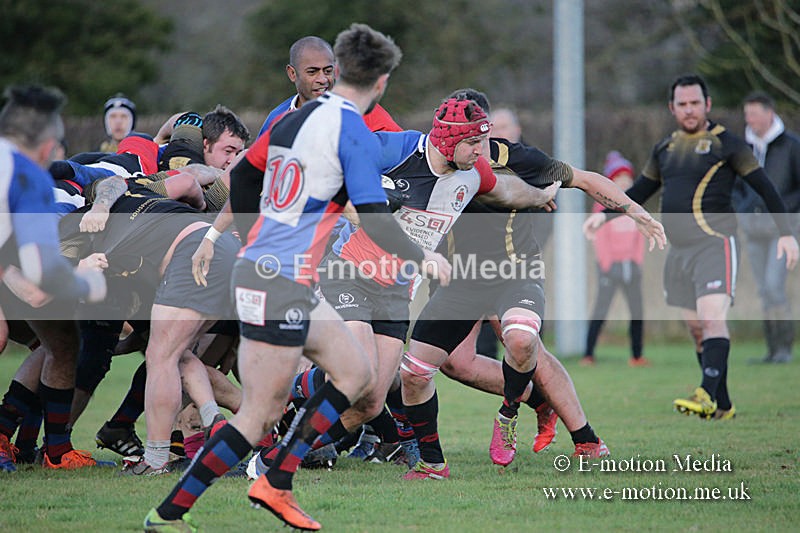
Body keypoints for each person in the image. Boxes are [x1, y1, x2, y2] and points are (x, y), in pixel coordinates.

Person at [145, 23, 449, 532]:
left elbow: (242, 174)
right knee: (259, 416)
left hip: (281, 276)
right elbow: (374, 217)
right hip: (276, 281)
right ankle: (172, 511)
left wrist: (247, 236)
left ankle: (275, 482)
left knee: (355, 374)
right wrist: (421, 256)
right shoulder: (352, 129)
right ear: (381, 83)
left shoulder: (294, 120)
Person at [399, 89, 665, 478]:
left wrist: (636, 211)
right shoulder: (435, 161)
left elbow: (586, 179)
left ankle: (573, 434)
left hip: (513, 273)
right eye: (467, 137)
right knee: (447, 365)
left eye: (482, 136)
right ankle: (534, 402)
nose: (478, 146)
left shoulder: (517, 158)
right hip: (461, 277)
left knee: (524, 342)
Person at [584, 74, 799, 421]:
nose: (689, 109)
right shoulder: (665, 148)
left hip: (716, 244)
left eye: (695, 103)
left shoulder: (727, 144)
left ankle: (705, 392)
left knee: (712, 319)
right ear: (672, 108)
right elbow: (640, 191)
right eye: (682, 104)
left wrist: (786, 233)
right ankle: (723, 404)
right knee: (697, 328)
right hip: (679, 251)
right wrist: (605, 216)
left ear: (707, 105)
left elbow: (764, 186)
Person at [0, 84, 106, 472]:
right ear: (45, 145)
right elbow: (44, 267)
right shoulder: (28, 176)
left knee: (60, 340)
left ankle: (55, 449)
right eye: (58, 144)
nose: (60, 153)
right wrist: (86, 283)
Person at [734, 91, 800, 364]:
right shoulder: (743, 148)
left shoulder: (791, 146)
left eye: (754, 114)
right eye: (747, 115)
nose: (750, 120)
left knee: (774, 286)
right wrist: (743, 209)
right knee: (763, 291)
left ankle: (784, 348)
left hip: (781, 231)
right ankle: (771, 351)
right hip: (753, 229)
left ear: (769, 113)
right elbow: (735, 187)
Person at [582, 151, 648, 366]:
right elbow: (601, 239)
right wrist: (608, 265)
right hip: (610, 269)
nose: (625, 181)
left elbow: (641, 235)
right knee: (601, 310)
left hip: (631, 267)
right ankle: (588, 354)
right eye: (620, 178)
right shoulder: (602, 207)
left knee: (637, 312)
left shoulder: (635, 206)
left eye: (628, 177)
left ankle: (637, 356)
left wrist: (637, 261)